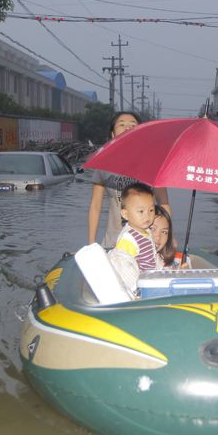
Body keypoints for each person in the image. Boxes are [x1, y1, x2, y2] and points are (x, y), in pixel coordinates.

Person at [87, 111, 171, 248]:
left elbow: (164, 203)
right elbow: (95, 206)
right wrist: (91, 243)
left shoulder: (152, 164)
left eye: (133, 125)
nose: (127, 127)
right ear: (113, 134)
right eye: (122, 125)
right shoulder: (104, 164)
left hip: (147, 241)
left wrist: (167, 236)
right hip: (114, 242)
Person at [108, 183, 158, 296]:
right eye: (141, 211)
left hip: (150, 282)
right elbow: (123, 265)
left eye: (151, 210)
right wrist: (136, 290)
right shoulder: (129, 238)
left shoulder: (146, 231)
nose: (147, 216)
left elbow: (151, 258)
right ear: (125, 214)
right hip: (139, 289)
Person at [150, 205, 178, 269]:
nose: (158, 237)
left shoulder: (165, 265)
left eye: (164, 232)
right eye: (152, 229)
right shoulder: (129, 260)